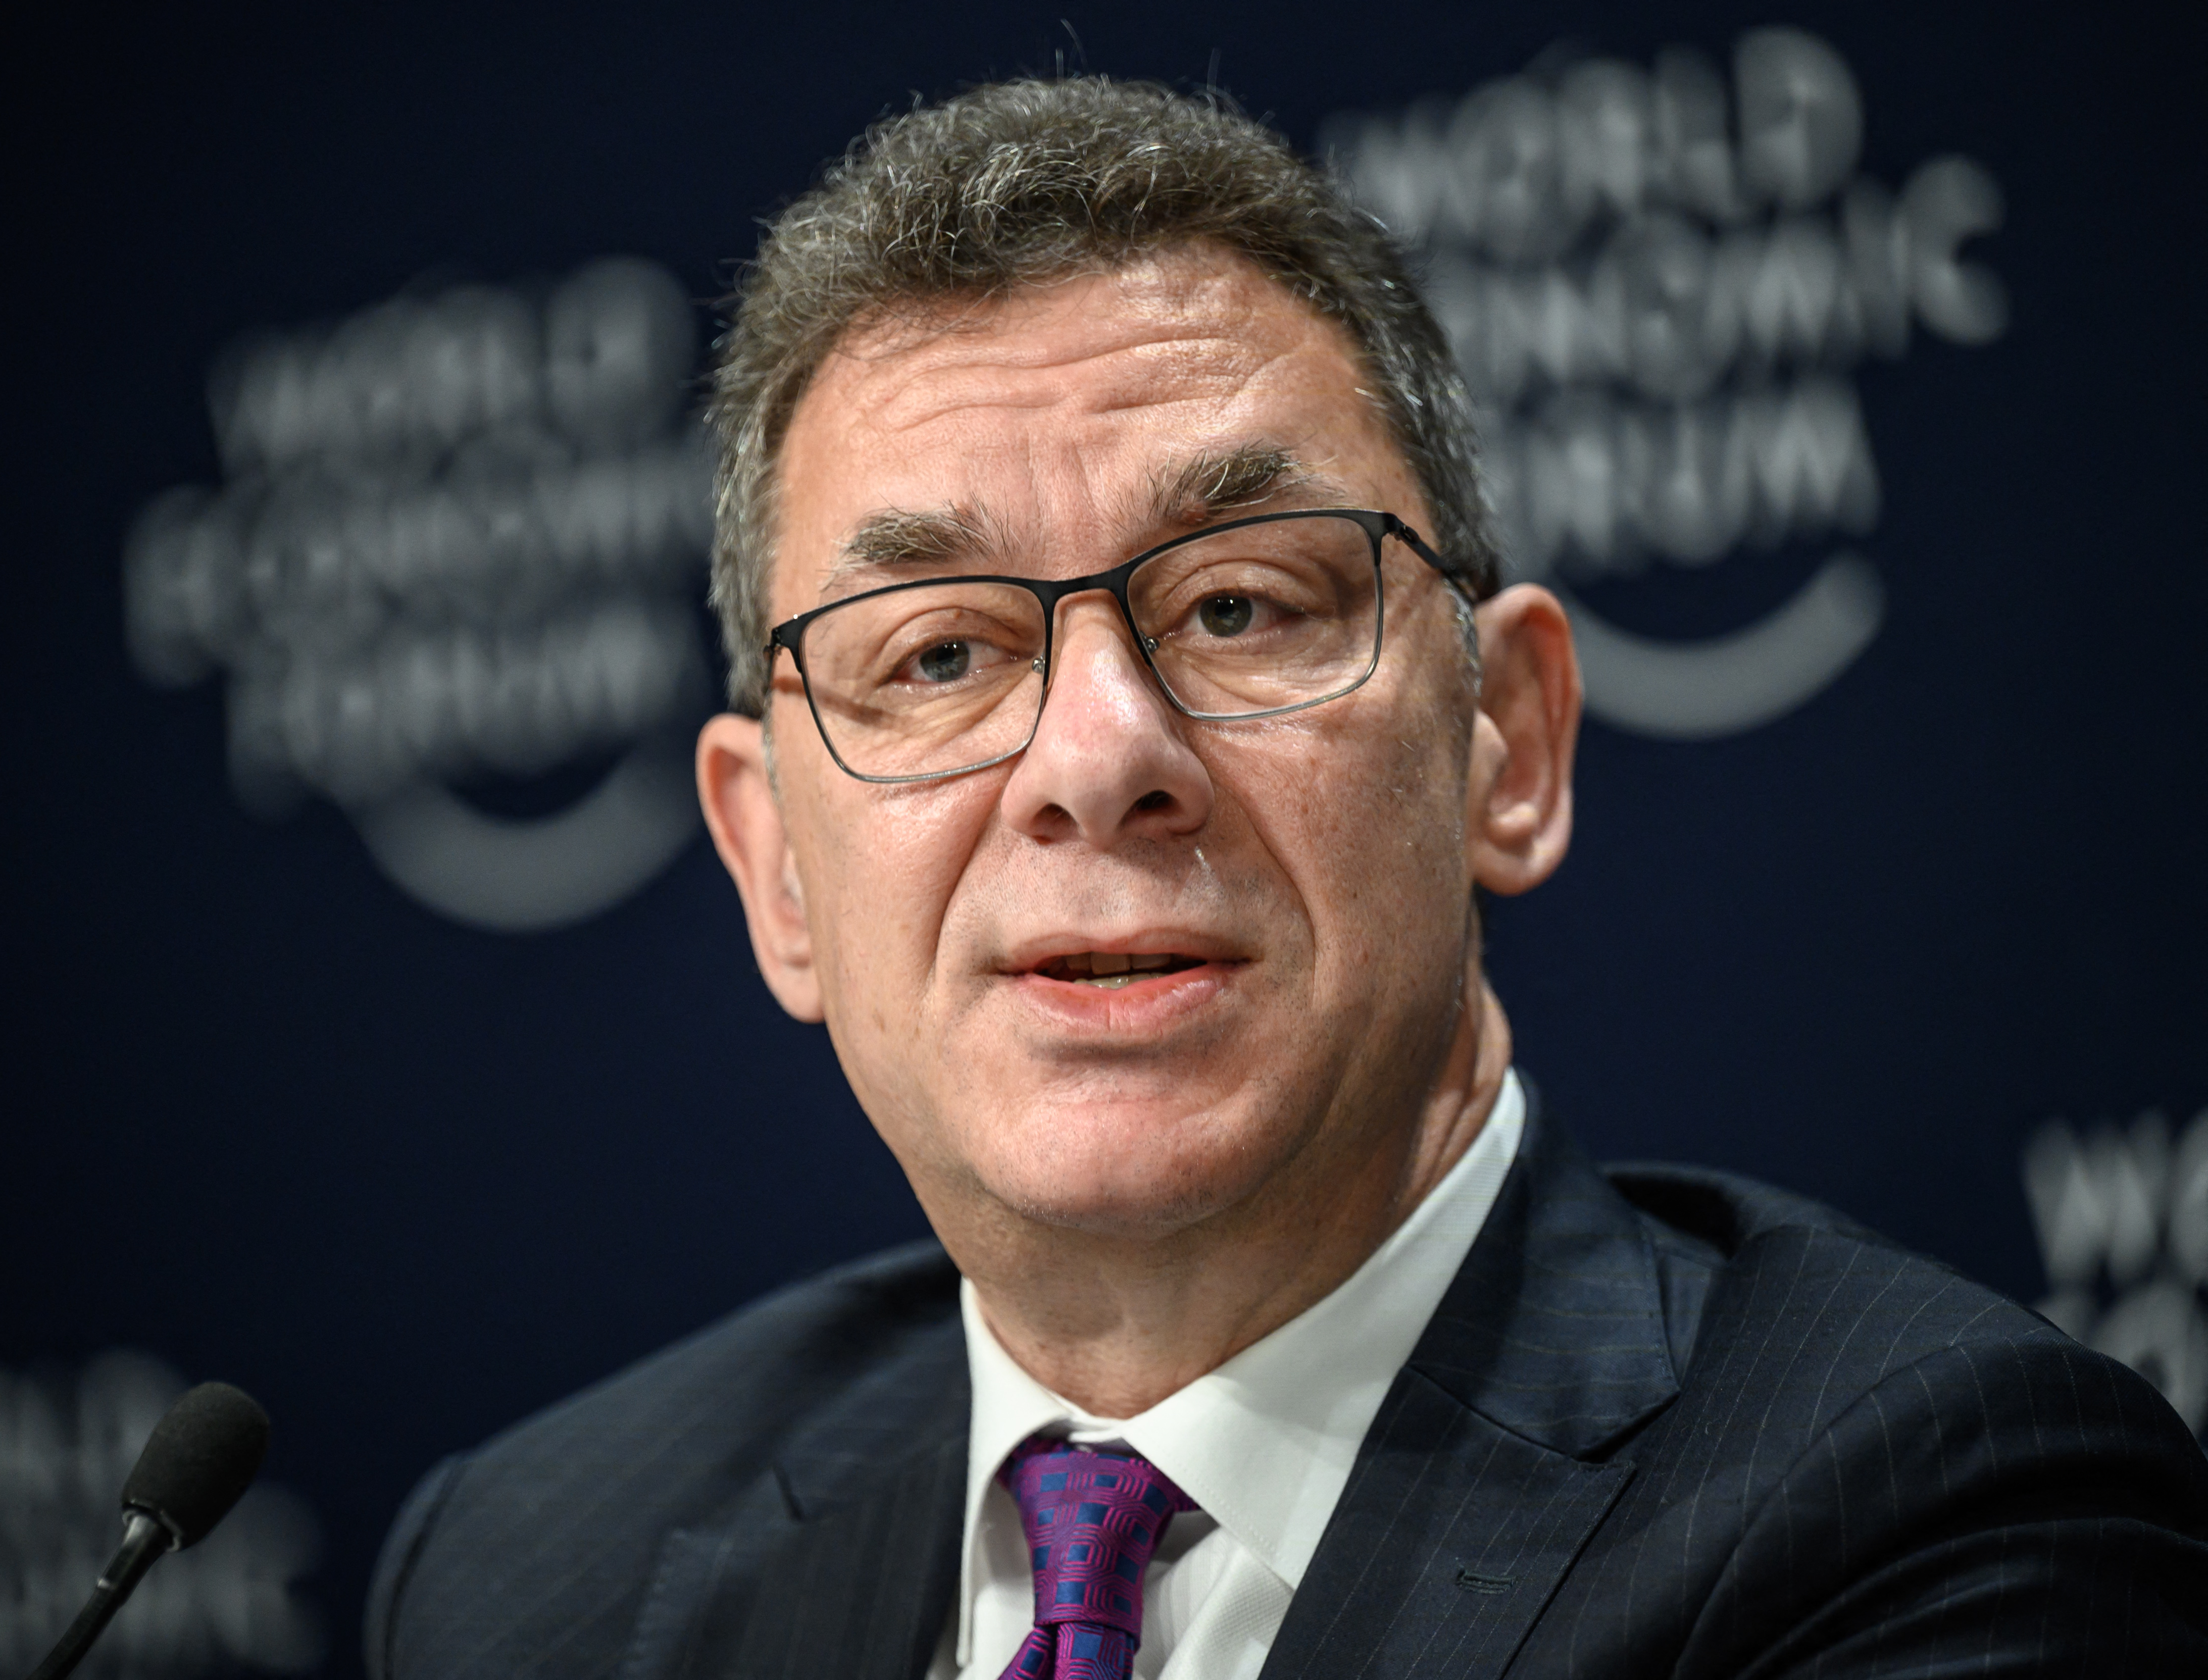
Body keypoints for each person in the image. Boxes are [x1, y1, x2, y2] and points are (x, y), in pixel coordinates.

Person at [365, 79, 2207, 1678]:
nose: (1096, 761)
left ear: (1512, 743)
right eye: (935, 655)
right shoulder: (532, 1578)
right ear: (774, 867)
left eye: (1240, 605)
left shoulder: (1926, 1516)